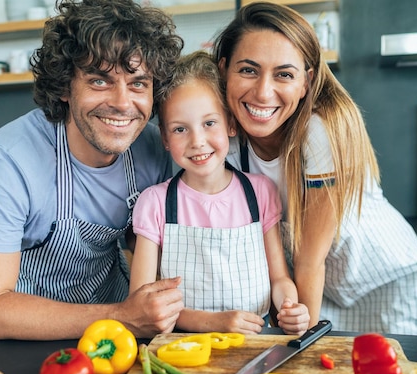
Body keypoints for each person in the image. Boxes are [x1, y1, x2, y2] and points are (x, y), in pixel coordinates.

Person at [0, 0, 186, 340]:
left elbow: (157, 255)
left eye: (139, 83)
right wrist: (120, 316)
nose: (123, 103)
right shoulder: (10, 158)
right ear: (65, 86)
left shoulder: (154, 147)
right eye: (99, 81)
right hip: (28, 334)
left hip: (119, 333)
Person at [214, 2, 417, 335]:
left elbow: (310, 259)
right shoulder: (226, 139)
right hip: (317, 285)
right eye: (248, 70)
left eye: (284, 74)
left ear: (306, 82)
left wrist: (298, 344)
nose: (262, 92)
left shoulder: (320, 131)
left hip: (380, 279)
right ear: (224, 69)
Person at [129, 51, 310, 335]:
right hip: (183, 347)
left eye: (209, 123)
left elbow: (279, 279)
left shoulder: (260, 192)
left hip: (254, 343)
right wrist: (214, 323)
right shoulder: (155, 203)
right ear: (164, 138)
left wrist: (290, 306)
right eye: (179, 129)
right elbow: (141, 306)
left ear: (231, 124)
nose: (197, 141)